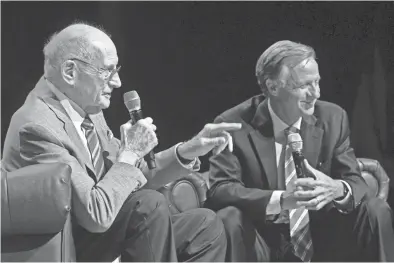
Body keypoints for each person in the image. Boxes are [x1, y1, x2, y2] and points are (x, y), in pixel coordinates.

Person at [2, 23, 242, 262]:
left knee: (204, 226)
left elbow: (128, 179)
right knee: (147, 206)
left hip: (102, 233)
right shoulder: (36, 126)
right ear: (70, 72)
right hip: (69, 247)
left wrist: (189, 150)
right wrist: (130, 152)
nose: (117, 82)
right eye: (107, 71)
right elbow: (95, 214)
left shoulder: (87, 109)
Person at [205, 40, 394, 262]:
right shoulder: (233, 124)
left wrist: (336, 189)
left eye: (317, 82)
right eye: (304, 85)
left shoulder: (333, 118)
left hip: (322, 236)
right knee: (229, 217)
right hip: (262, 240)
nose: (315, 93)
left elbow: (354, 180)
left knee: (375, 209)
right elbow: (220, 189)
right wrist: (282, 199)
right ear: (273, 87)